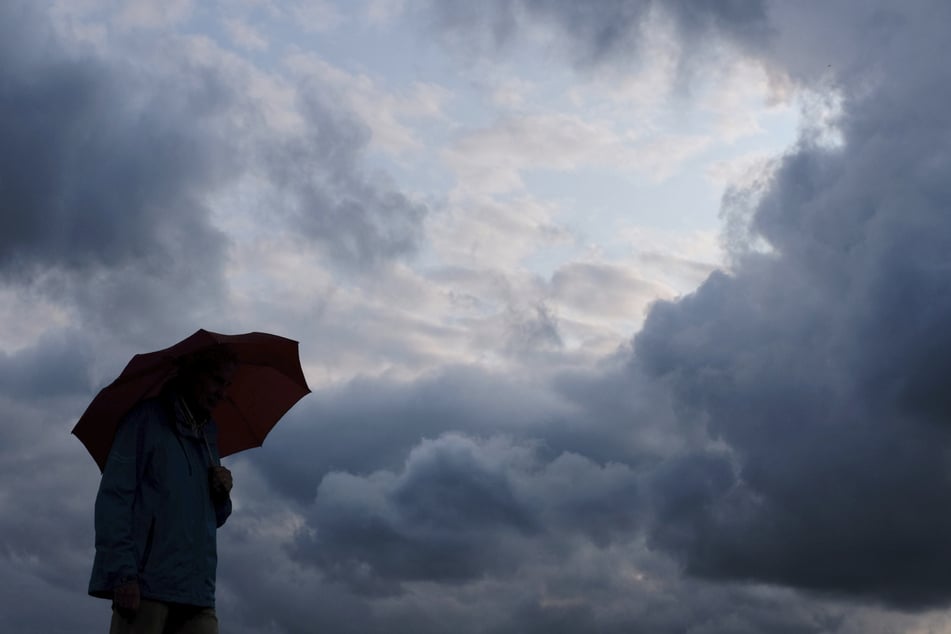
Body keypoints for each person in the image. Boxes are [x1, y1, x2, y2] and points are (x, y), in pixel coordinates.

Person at [88, 348, 237, 634]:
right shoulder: (144, 421)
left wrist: (222, 494)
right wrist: (123, 576)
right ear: (193, 374)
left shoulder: (209, 435)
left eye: (228, 385)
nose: (222, 392)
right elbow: (114, 499)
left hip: (198, 591)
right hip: (145, 588)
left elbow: (213, 517)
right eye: (218, 381)